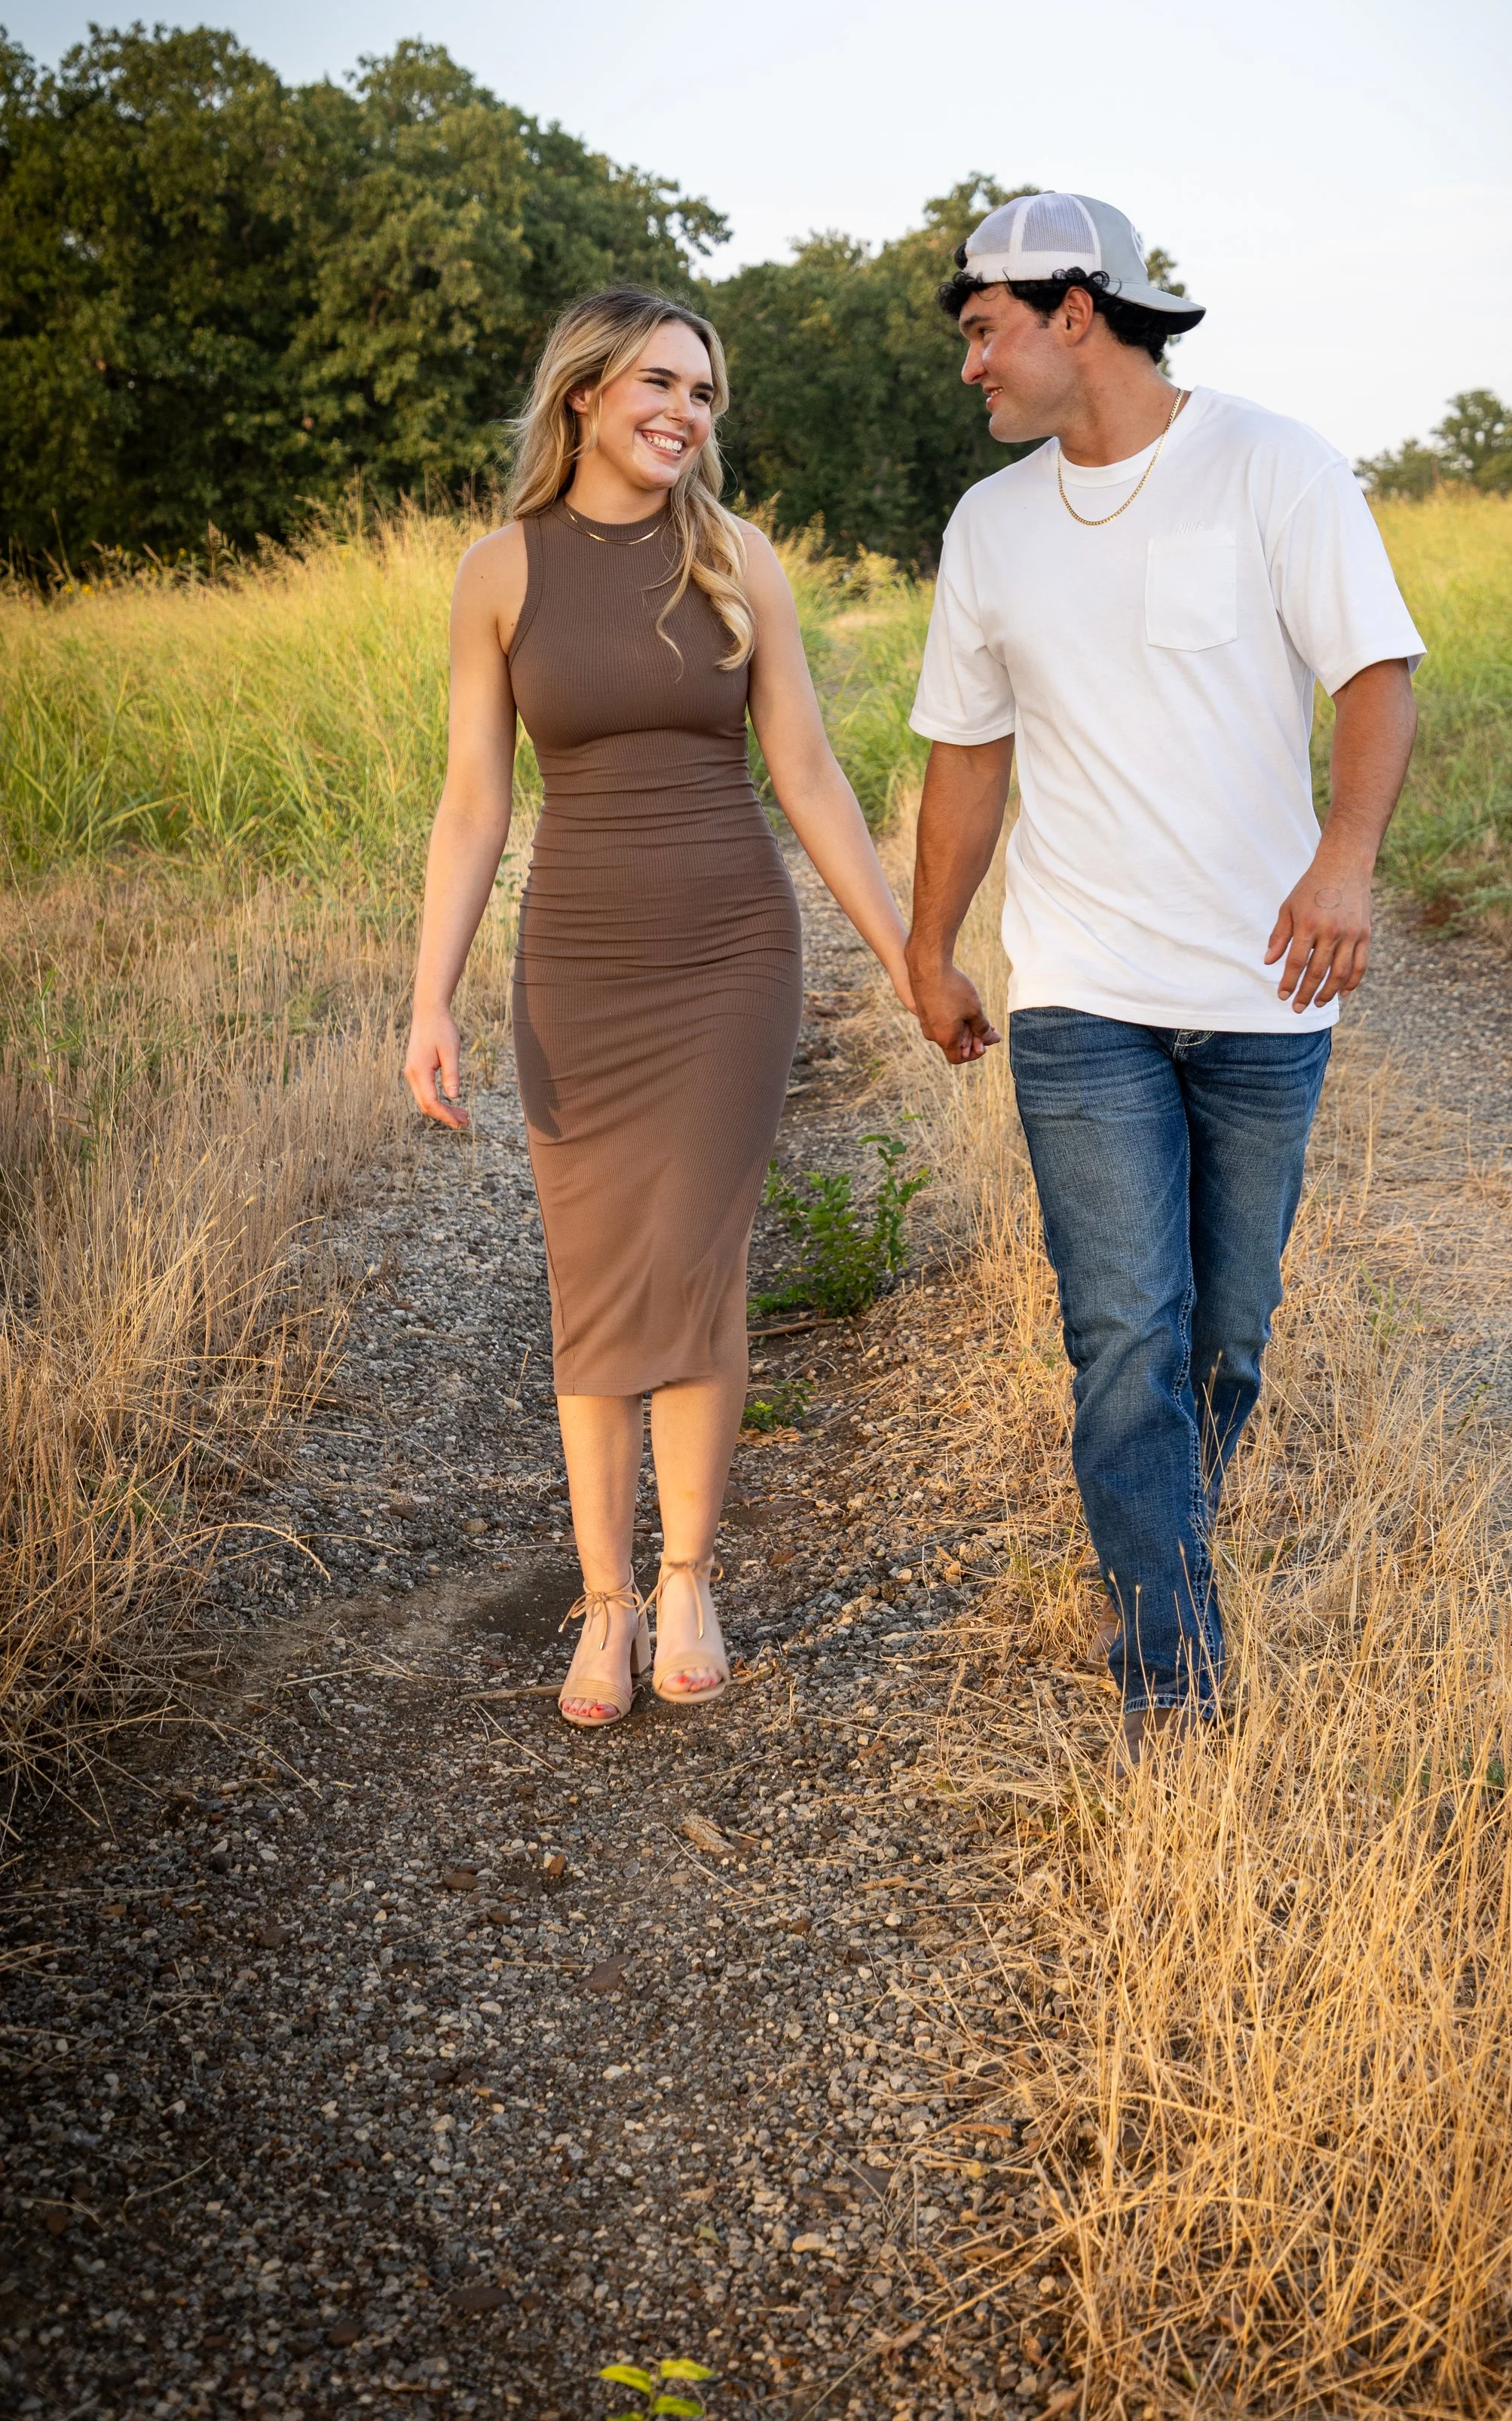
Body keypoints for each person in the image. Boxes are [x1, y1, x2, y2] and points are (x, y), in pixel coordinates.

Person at [904, 194, 1424, 1763]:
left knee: (1223, 1341)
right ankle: (1173, 1682)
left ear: (1076, 311)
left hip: (1267, 989)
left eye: (983, 331)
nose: (970, 367)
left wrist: (1344, 857)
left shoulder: (1272, 465)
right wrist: (928, 950)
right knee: (1123, 1332)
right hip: (1083, 997)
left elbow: (1374, 676)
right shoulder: (987, 528)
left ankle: (1160, 1554)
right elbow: (963, 759)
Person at [403, 286, 914, 1728]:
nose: (688, 412)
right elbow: (472, 800)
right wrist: (429, 993)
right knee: (594, 1270)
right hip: (577, 963)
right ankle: (606, 1598)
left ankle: (686, 1578)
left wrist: (901, 955)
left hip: (727, 954)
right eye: (663, 384)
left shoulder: (739, 558)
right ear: (583, 395)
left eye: (705, 393)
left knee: (692, 1256)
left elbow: (808, 776)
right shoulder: (499, 571)